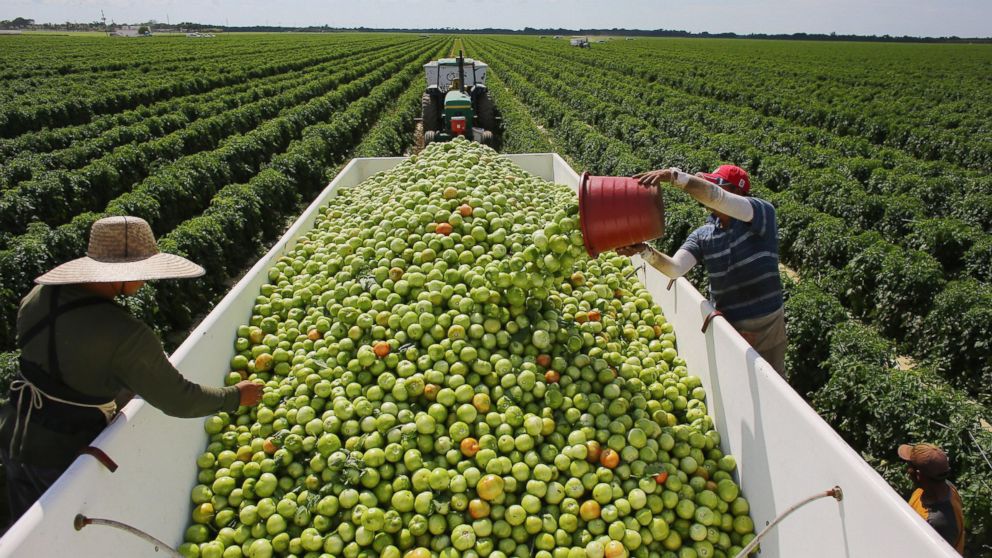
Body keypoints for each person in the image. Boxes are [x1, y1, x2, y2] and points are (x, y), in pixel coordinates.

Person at [0, 216, 264, 524]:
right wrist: (234, 396)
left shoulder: (38, 297)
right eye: (143, 273)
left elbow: (60, 363)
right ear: (120, 274)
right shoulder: (124, 335)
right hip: (62, 453)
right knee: (66, 529)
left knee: (28, 525)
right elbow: (179, 399)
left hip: (13, 432)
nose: (146, 281)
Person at [619, 165, 786, 374]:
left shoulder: (761, 213)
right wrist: (644, 251)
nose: (709, 191)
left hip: (767, 326)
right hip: (729, 327)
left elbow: (718, 198)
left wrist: (675, 177)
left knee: (772, 380)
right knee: (735, 381)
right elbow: (675, 269)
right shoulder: (703, 235)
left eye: (716, 184)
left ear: (738, 192)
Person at [898, 443, 966, 554]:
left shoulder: (936, 522)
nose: (907, 470)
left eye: (910, 465)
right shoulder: (947, 487)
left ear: (918, 474)